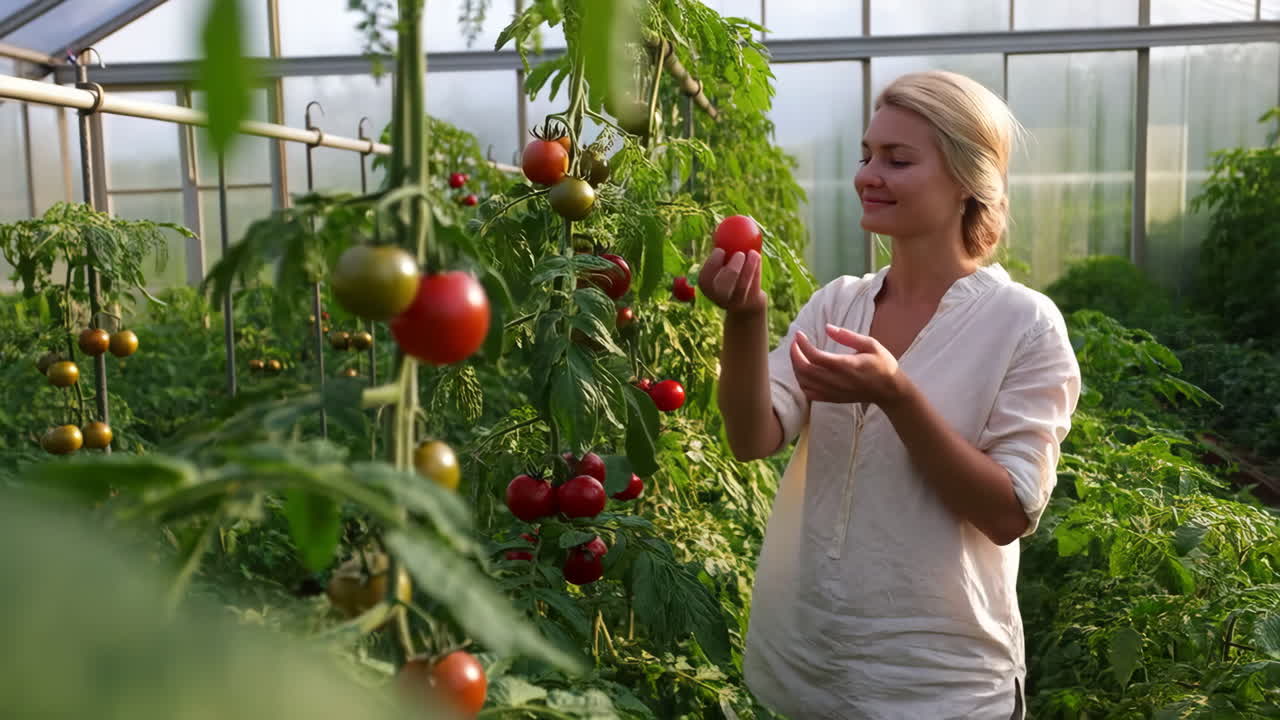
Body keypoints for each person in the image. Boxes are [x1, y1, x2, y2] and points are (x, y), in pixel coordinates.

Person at [698, 70, 1082, 719]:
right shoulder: (839, 304)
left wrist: (898, 396)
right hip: (812, 663)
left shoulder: (1023, 325)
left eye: (898, 159)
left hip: (940, 686)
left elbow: (1009, 512)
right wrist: (745, 316)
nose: (868, 175)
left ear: (968, 180)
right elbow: (751, 435)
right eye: (866, 154)